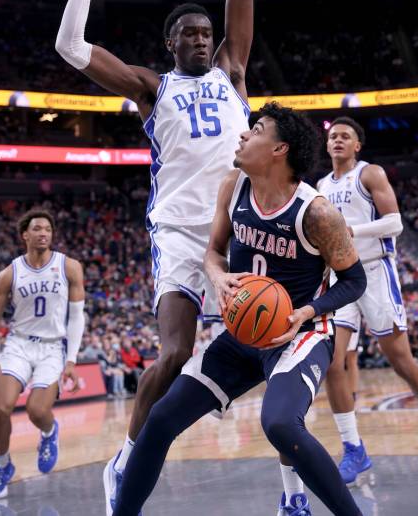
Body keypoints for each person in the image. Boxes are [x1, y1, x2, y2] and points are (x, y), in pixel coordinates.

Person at [55, 0, 253, 512]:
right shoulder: (151, 86)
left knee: (276, 347)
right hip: (179, 235)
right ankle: (128, 458)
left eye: (206, 31)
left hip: (242, 229)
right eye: (189, 33)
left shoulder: (234, 71)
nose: (201, 37)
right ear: (171, 44)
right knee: (171, 355)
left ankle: (288, 479)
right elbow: (71, 46)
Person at [113, 103, 366, 516]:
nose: (244, 135)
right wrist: (216, 277)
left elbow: (355, 280)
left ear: (279, 149)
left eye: (257, 130)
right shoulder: (233, 186)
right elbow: (213, 252)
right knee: (159, 421)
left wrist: (308, 310)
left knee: (281, 425)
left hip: (298, 336)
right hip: (242, 336)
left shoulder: (317, 212)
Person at [317, 116, 418, 484]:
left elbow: (394, 223)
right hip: (339, 276)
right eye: (333, 136)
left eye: (345, 136)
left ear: (357, 145)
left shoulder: (370, 174)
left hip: (376, 271)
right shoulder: (319, 186)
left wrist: (353, 230)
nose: (338, 141)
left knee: (401, 361)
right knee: (333, 362)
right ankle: (354, 448)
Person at [0, 209, 85, 499]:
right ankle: (3, 466)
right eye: (37, 229)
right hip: (19, 344)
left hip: (52, 347)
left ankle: (49, 433)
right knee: (1, 408)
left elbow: (77, 317)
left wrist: (72, 360)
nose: (43, 234)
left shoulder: (69, 267)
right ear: (25, 234)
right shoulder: (9, 273)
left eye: (48, 230)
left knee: (37, 411)